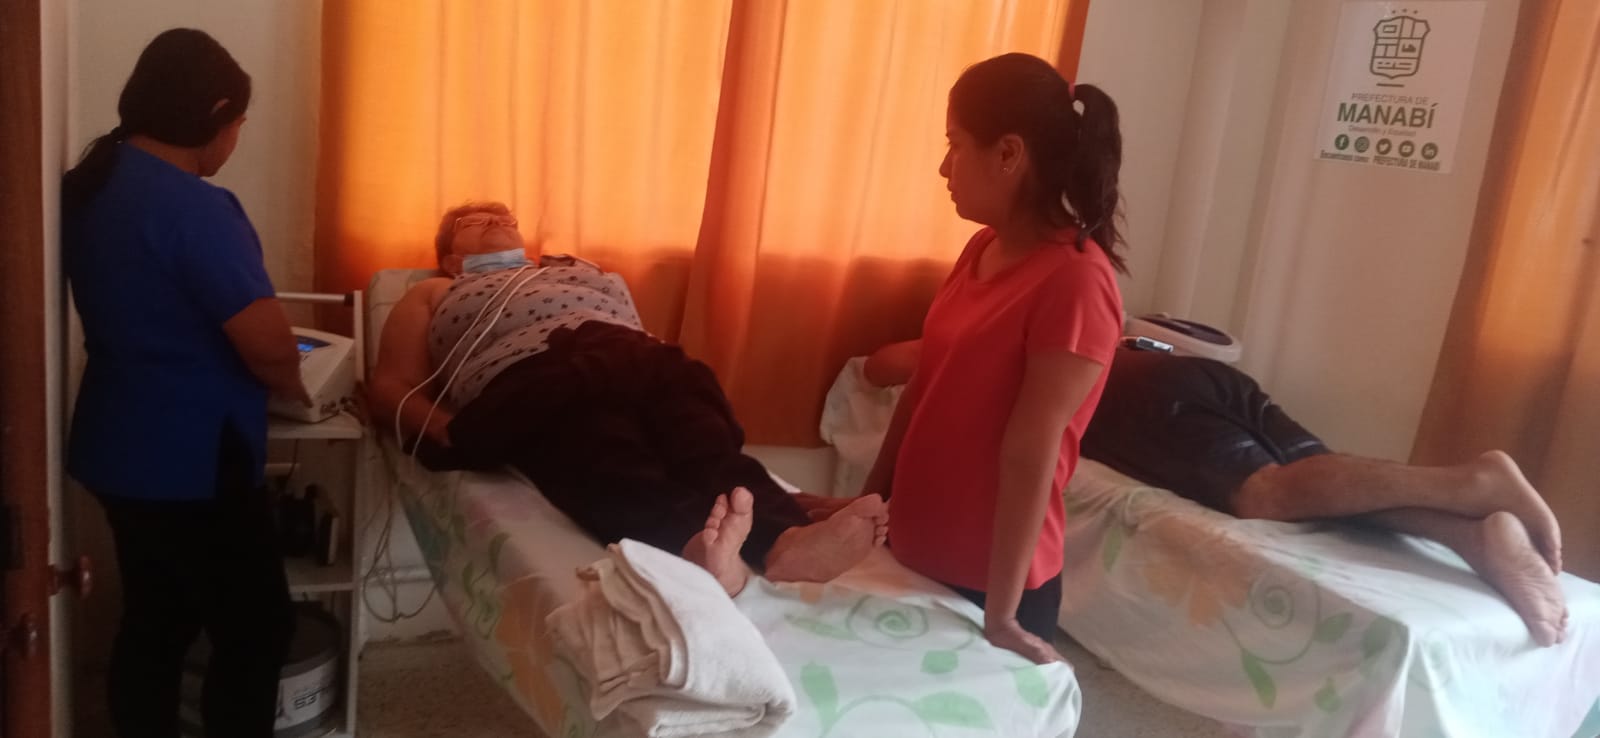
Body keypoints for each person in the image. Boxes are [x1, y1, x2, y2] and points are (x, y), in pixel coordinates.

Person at [859, 341, 1571, 648]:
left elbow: (882, 366)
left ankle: (1473, 481)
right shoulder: (1081, 324)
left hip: (1145, 408)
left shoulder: (987, 330)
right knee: (1319, 477)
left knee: (1267, 494)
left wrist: (938, 344)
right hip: (1199, 379)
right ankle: (1470, 532)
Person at [367, 201, 888, 598]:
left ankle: (786, 541)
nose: (497, 218)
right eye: (476, 219)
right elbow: (390, 384)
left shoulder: (577, 270)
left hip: (633, 355)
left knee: (702, 443)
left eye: (504, 215)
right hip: (533, 372)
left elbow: (633, 329)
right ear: (451, 258)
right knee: (604, 455)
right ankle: (697, 550)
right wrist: (450, 432)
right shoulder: (434, 292)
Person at [837, 53, 1129, 664]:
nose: (944, 167)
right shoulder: (980, 249)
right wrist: (867, 505)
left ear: (1009, 153)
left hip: (992, 585)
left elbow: (1030, 453)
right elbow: (924, 389)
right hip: (913, 548)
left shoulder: (1076, 281)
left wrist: (1002, 616)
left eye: (955, 144)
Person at [62, 29, 307, 738]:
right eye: (240, 125)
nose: (235, 142)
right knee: (258, 627)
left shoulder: (93, 186)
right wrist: (297, 384)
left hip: (116, 444)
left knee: (157, 617)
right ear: (217, 114)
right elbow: (269, 347)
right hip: (191, 461)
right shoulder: (196, 208)